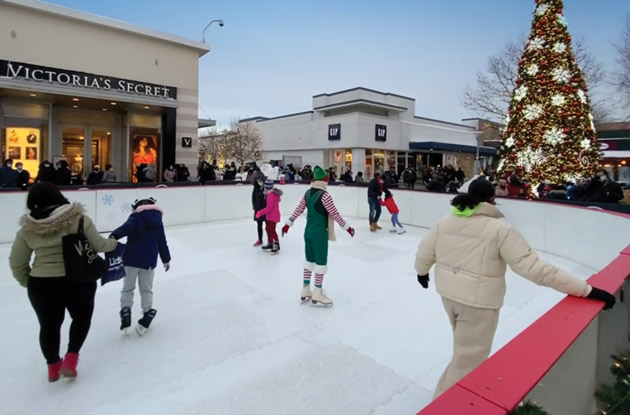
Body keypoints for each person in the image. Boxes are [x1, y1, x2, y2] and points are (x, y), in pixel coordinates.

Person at [414, 178, 616, 399]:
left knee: (464, 354)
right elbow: (535, 268)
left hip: (449, 295)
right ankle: (446, 406)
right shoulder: (500, 230)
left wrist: (421, 271)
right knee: (468, 362)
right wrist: (586, 290)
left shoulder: (447, 220)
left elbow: (426, 249)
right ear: (492, 199)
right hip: (477, 304)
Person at [9, 182, 118, 381]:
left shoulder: (27, 230)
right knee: (81, 318)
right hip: (77, 280)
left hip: (41, 284)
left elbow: (17, 262)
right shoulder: (79, 220)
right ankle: (71, 358)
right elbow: (100, 245)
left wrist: (30, 282)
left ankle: (52, 366)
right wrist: (115, 244)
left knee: (48, 326)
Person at [281, 166, 355, 306]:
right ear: (325, 180)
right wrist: (347, 227)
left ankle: (305, 289)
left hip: (308, 232)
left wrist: (288, 223)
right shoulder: (325, 196)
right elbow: (335, 214)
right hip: (319, 233)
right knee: (320, 263)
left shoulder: (308, 193)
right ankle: (318, 293)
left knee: (309, 261)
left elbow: (299, 209)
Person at [110, 197, 171, 336]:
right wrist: (166, 259)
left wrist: (114, 235)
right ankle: (147, 312)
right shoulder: (158, 220)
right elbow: (162, 241)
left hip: (131, 260)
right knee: (146, 289)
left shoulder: (136, 217)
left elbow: (126, 228)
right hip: (149, 261)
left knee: (128, 288)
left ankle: (126, 311)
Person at [255, 180, 283, 254]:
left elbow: (269, 208)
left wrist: (259, 213)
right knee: (268, 229)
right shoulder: (272, 194)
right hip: (271, 215)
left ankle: (276, 244)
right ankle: (270, 243)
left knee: (271, 230)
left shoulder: (270, 195)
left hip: (272, 216)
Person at [251, 172, 266, 247]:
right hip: (258, 208)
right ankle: (260, 239)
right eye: (258, 181)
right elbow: (253, 197)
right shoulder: (256, 188)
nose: (259, 182)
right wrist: (254, 206)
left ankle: (271, 239)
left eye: (260, 181)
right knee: (259, 224)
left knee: (268, 225)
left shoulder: (267, 187)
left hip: (266, 209)